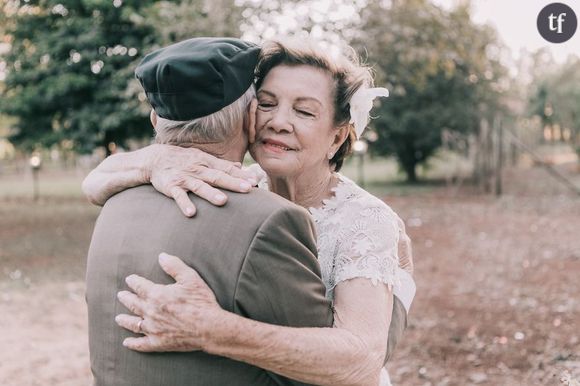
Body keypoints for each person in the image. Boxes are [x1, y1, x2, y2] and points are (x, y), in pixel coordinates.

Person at [84, 38, 415, 386]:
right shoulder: (232, 181)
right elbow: (94, 184)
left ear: (337, 138)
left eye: (303, 111)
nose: (278, 122)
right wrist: (155, 158)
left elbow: (361, 361)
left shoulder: (364, 219)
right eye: (267, 104)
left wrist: (210, 328)